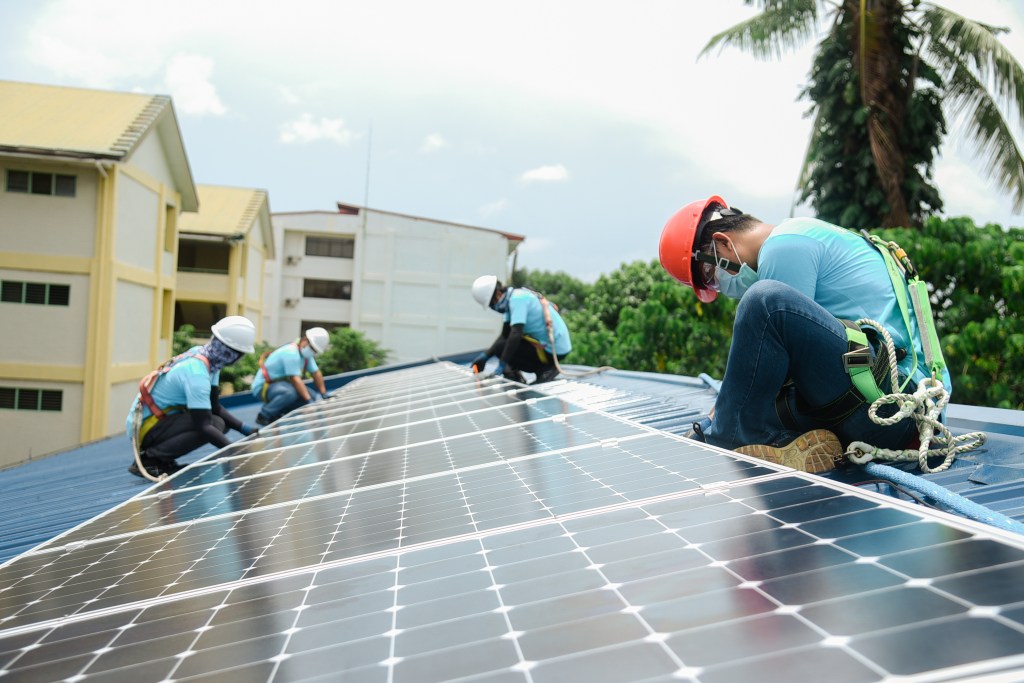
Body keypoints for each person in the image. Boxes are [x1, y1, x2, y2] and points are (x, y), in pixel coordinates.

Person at [658, 195, 951, 473]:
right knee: (745, 402)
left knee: (764, 302)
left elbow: (763, 372)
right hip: (883, 403)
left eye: (709, 276)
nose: (718, 288)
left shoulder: (784, 246)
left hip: (892, 407)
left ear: (722, 242)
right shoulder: (808, 235)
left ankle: (727, 444)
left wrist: (717, 423)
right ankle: (780, 443)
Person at [125, 315, 259, 479]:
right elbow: (203, 425)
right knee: (213, 425)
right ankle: (151, 460)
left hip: (158, 422)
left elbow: (214, 407)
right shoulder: (197, 373)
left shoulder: (207, 360)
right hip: (145, 428)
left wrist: (245, 429)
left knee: (218, 423)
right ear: (232, 354)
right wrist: (237, 454)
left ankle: (162, 458)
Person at [469, 275, 572, 384]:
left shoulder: (518, 299)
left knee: (504, 348)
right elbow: (505, 335)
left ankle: (545, 370)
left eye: (492, 304)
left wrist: (502, 364)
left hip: (555, 349)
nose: (494, 308)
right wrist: (486, 356)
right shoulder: (511, 299)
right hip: (550, 346)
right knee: (502, 347)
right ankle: (515, 375)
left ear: (498, 294)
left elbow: (516, 333)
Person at [250, 327, 331, 426]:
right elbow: (295, 379)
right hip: (264, 387)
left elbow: (316, 373)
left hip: (282, 385)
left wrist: (323, 393)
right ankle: (264, 415)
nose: (312, 352)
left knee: (314, 397)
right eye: (312, 348)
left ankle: (279, 412)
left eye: (315, 351)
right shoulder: (291, 352)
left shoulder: (305, 356)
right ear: (305, 340)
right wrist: (308, 401)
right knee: (290, 394)